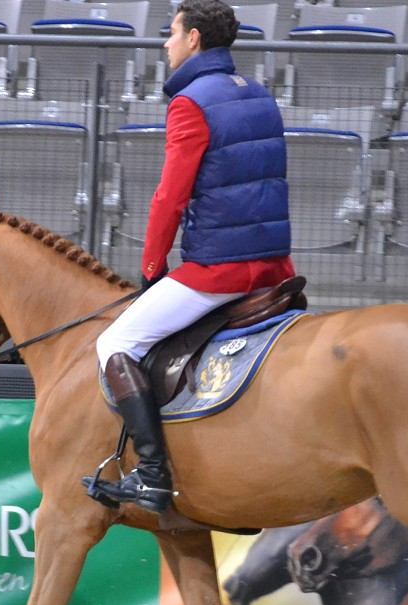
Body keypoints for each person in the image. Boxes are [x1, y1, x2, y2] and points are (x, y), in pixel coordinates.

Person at [90, 0, 295, 516]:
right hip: (274, 267)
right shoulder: (261, 95)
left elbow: (170, 198)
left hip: (221, 270)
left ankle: (153, 475)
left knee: (115, 340)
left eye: (172, 32)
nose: (166, 42)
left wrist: (153, 268)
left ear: (195, 39)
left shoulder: (190, 103)